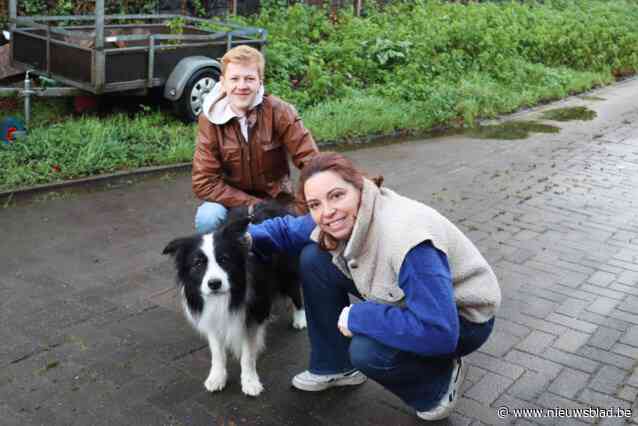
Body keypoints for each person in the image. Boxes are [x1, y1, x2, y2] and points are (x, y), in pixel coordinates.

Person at [246, 152, 501, 421]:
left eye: (336, 195)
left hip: (462, 320)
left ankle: (438, 385)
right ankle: (334, 366)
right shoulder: (339, 213)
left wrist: (360, 316)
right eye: (314, 204)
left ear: (358, 187)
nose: (327, 211)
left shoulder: (409, 242)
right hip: (417, 300)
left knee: (368, 351)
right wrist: (231, 239)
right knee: (315, 257)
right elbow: (287, 231)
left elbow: (439, 331)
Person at [192, 45, 318, 233]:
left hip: (276, 200)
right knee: (207, 218)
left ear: (260, 81)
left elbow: (312, 161)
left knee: (306, 226)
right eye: (234, 79)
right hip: (229, 200)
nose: (241, 86)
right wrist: (253, 204)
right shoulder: (209, 119)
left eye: (249, 78)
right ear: (223, 82)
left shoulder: (280, 111)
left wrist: (303, 204)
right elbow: (204, 182)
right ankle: (217, 259)